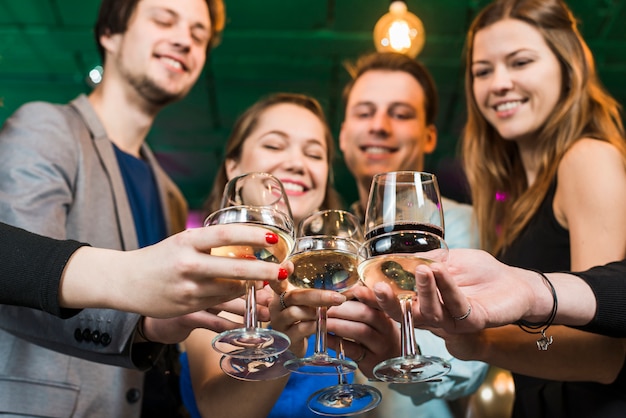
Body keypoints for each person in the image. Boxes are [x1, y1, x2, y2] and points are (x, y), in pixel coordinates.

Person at [0, 0, 226, 416]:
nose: (184, 40)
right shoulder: (45, 127)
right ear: (110, 33)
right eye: (164, 19)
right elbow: (16, 288)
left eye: (199, 35)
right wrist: (143, 324)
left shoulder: (171, 195)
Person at [430, 0, 626, 417]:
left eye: (520, 62)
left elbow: (603, 353)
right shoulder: (519, 191)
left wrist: (478, 340)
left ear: (567, 66)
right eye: (483, 71)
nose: (499, 83)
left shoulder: (587, 158)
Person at [323, 51, 487, 418]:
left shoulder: (459, 225)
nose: (379, 125)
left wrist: (398, 350)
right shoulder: (332, 236)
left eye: (400, 113)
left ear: (429, 136)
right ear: (344, 135)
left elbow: (474, 360)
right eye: (365, 112)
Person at [180, 92, 355, 418]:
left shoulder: (342, 282)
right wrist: (286, 348)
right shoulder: (204, 272)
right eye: (274, 146)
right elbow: (219, 411)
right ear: (233, 167)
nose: (296, 163)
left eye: (314, 154)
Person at [1, 221, 289, 318]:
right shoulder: (46, 124)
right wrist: (124, 276)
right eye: (274, 146)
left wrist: (147, 327)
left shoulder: (167, 189)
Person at [372, 249, 626, 339]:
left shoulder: (587, 156)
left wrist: (530, 291)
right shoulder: (506, 186)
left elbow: (602, 352)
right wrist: (529, 290)